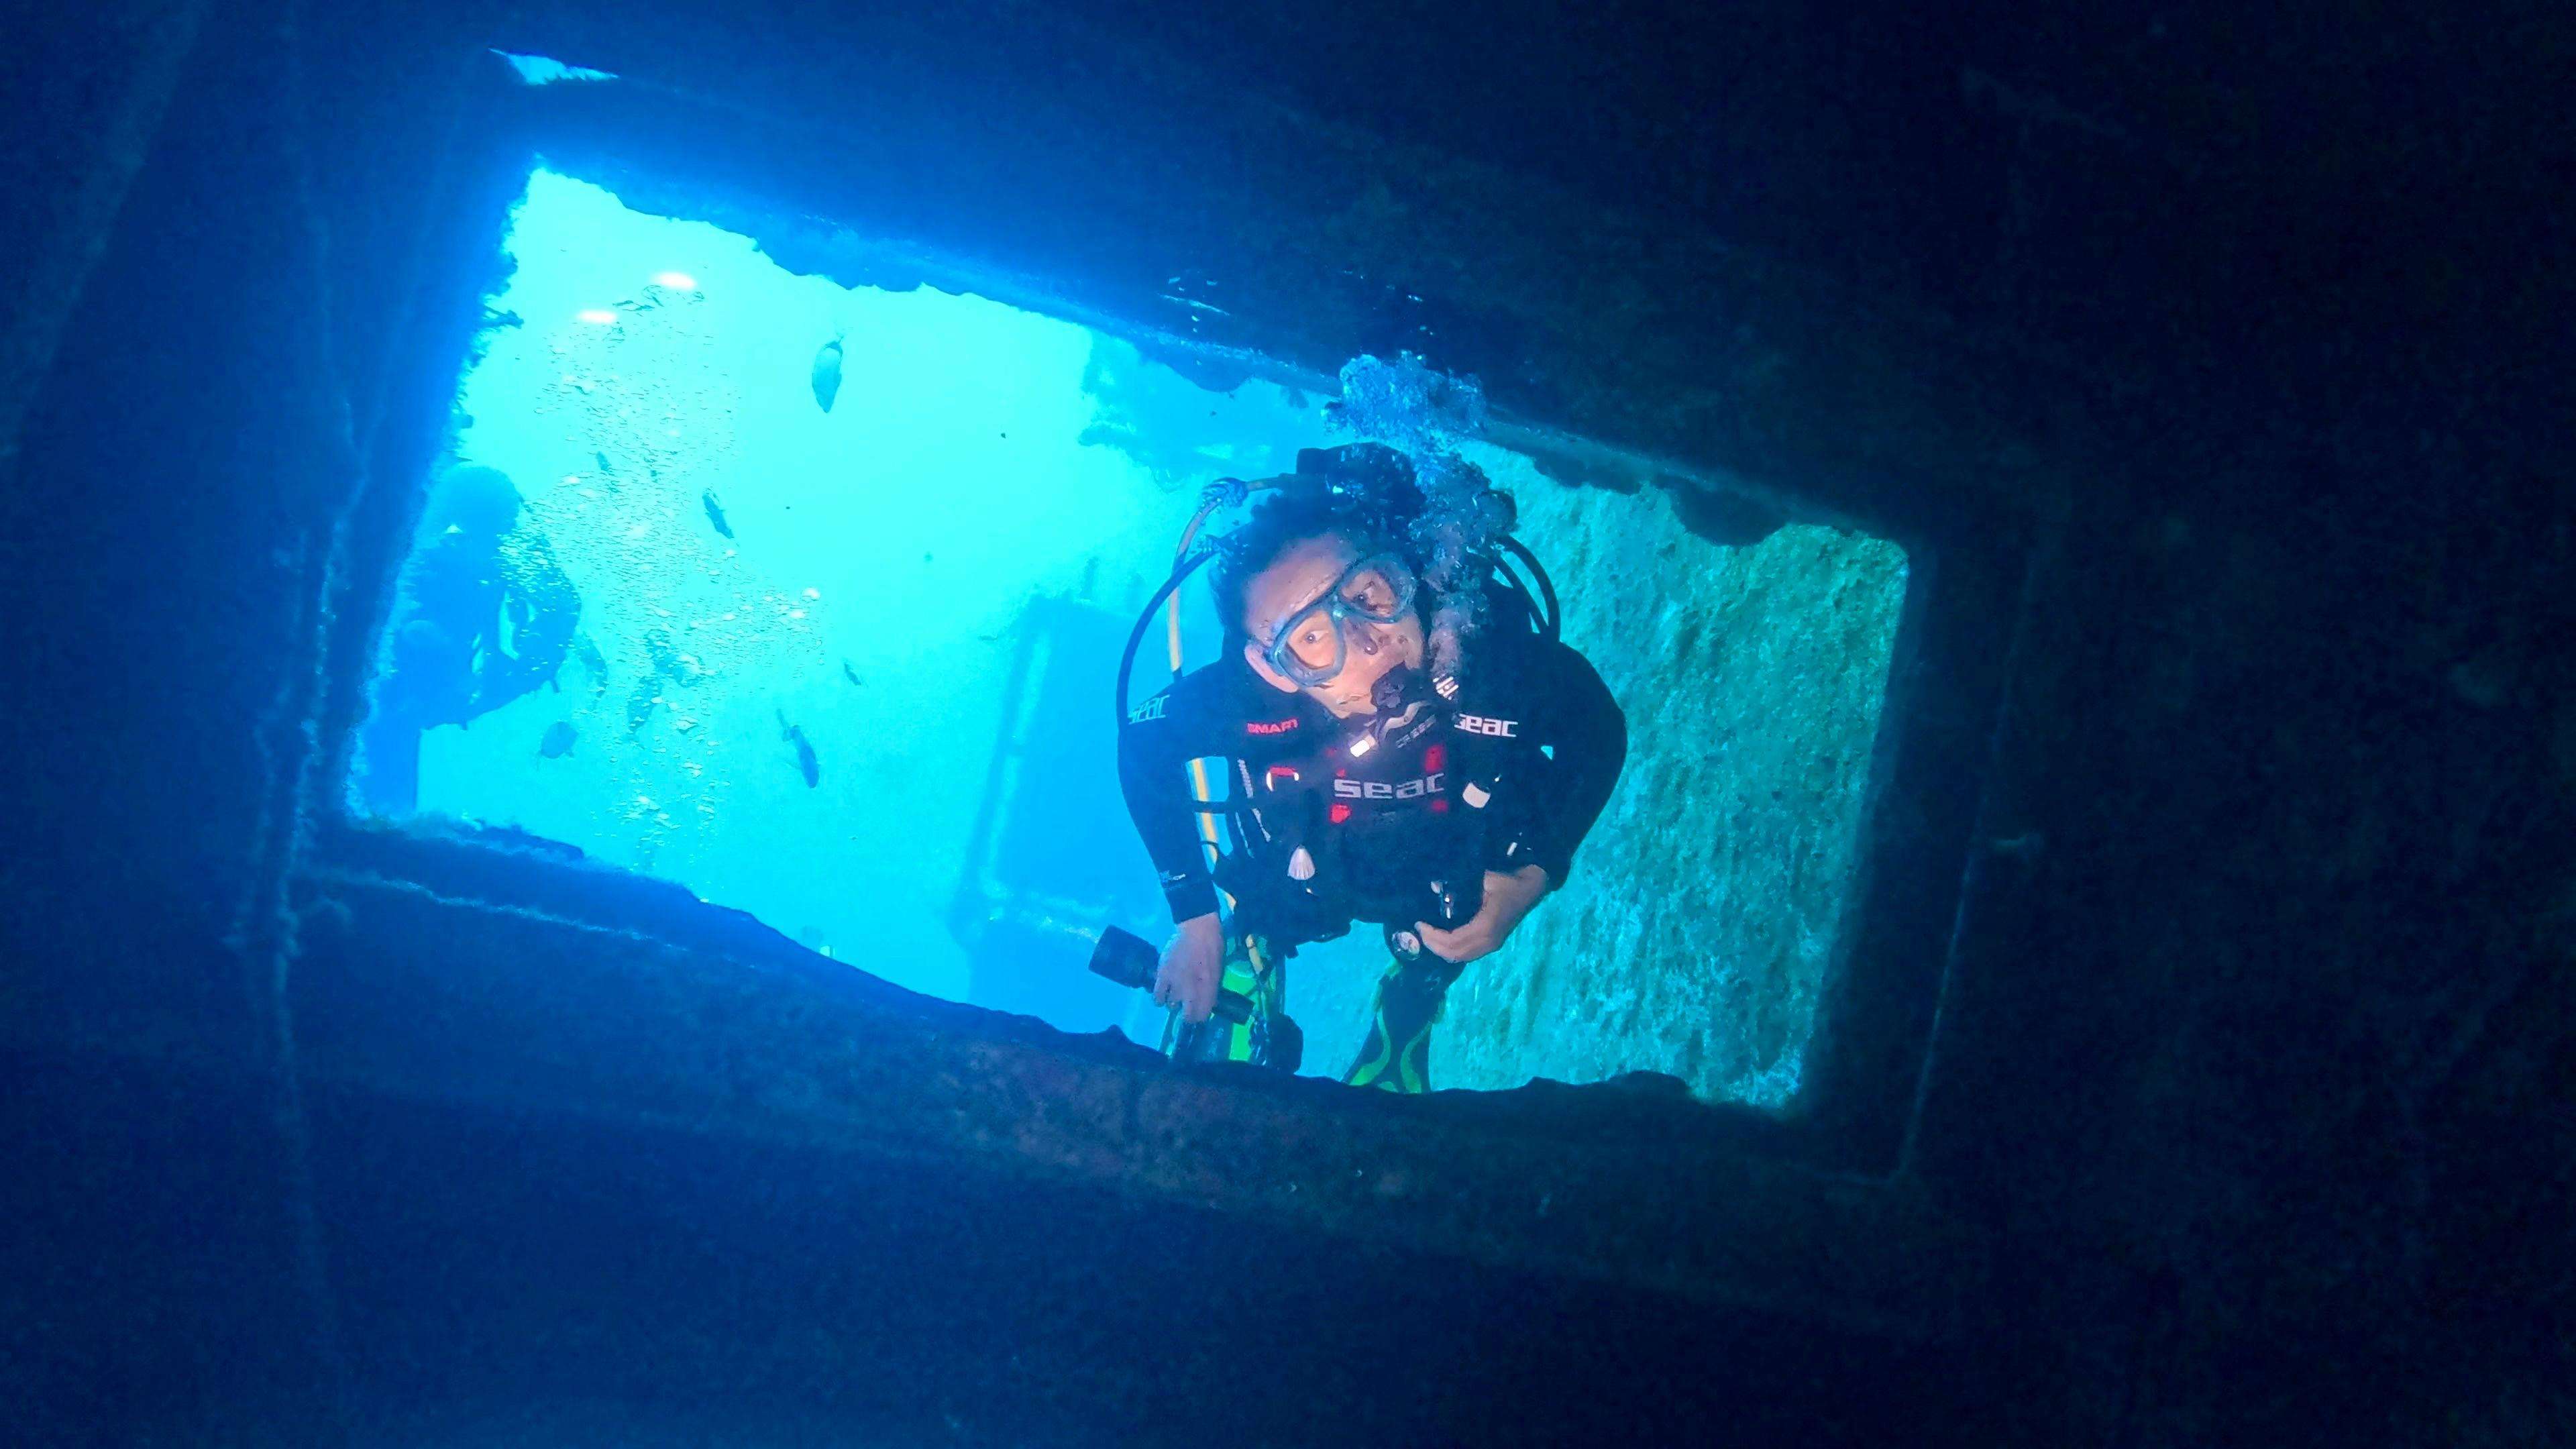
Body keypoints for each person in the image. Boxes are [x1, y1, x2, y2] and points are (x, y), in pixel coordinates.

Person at [1116, 445, 1627, 1091]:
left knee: (1455, 922)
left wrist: (1535, 871)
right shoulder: (1247, 702)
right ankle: (1250, 947)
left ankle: (1409, 1009)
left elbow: (1597, 729)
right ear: (1273, 667)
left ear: (1403, 576)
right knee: (1272, 899)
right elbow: (1142, 747)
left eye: (1368, 594)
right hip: (1308, 865)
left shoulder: (1489, 659)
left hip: (1454, 851)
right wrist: (1195, 920)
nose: (1366, 640)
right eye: (1310, 637)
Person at [357, 462, 580, 812]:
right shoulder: (446, 557)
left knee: (379, 797)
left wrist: (496, 688)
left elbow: (563, 607)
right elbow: (563, 607)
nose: (510, 529)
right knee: (382, 801)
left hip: (404, 696)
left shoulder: (458, 556)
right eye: (506, 520)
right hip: (401, 695)